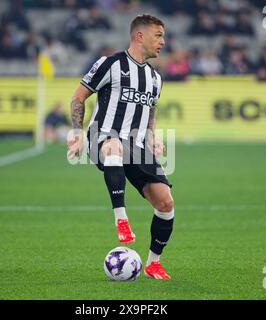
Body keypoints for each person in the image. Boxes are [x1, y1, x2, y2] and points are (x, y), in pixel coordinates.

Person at [67, 14, 174, 280]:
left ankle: (153, 263)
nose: (163, 42)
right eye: (158, 35)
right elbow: (79, 97)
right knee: (114, 145)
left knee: (166, 203)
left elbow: (150, 110)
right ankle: (121, 220)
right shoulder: (110, 64)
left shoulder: (155, 78)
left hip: (137, 145)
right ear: (140, 36)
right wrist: (77, 133)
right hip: (103, 137)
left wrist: (153, 136)